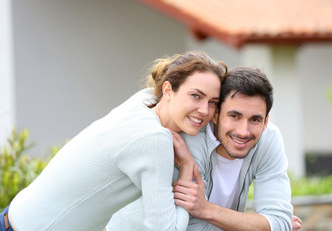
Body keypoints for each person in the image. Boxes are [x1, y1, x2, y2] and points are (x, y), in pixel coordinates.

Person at [0, 51, 227, 231]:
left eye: (213, 102)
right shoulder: (153, 139)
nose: (204, 110)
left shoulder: (145, 101)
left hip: (14, 216)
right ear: (168, 90)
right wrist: (187, 168)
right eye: (195, 96)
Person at [106, 67, 300, 231]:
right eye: (234, 116)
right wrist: (257, 225)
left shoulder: (269, 140)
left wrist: (206, 209)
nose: (243, 131)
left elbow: (280, 221)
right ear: (215, 115)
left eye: (255, 119)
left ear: (266, 121)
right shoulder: (185, 139)